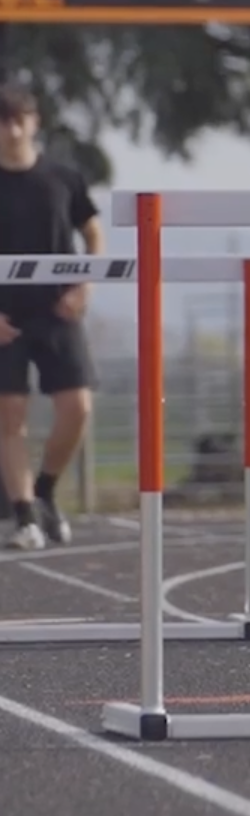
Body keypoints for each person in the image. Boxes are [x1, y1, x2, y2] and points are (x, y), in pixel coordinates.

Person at [0, 82, 100, 551]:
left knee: (78, 407)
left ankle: (45, 491)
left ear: (34, 121)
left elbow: (93, 231)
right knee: (10, 414)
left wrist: (85, 283)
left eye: (19, 119)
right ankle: (23, 514)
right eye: (3, 121)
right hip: (5, 317)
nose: (12, 129)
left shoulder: (64, 177)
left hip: (59, 310)